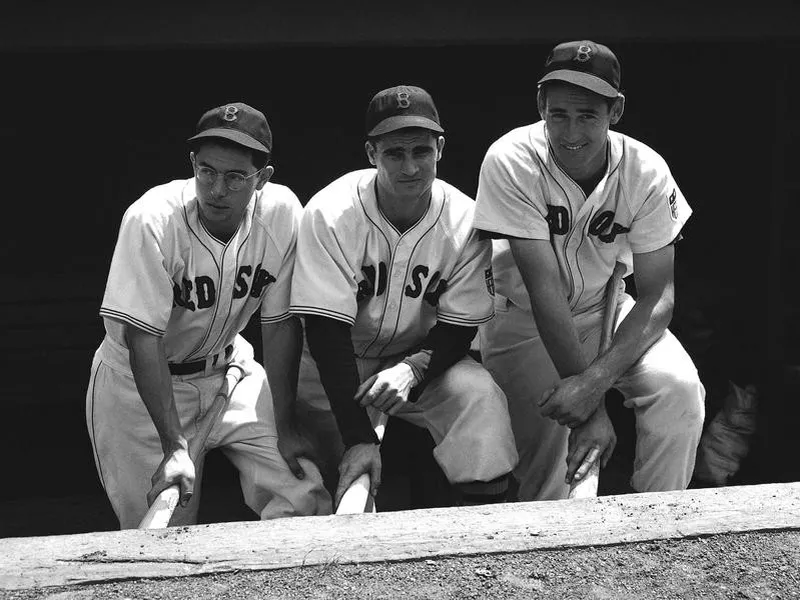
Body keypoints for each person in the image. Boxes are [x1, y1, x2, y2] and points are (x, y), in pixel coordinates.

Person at [474, 41, 706, 501]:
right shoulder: (511, 159)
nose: (571, 130)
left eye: (588, 115)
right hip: (524, 324)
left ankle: (657, 526)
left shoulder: (646, 170)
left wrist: (593, 385)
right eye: (558, 113)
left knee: (679, 390)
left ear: (615, 110)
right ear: (541, 105)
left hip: (608, 306)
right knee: (556, 480)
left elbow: (659, 296)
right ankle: (542, 570)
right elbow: (544, 293)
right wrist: (591, 411)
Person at [85, 102, 331, 528]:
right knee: (157, 530)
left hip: (230, 370)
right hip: (138, 390)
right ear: (193, 165)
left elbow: (278, 324)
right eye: (207, 171)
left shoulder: (282, 212)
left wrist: (286, 423)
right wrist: (174, 444)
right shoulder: (152, 220)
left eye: (235, 177)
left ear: (262, 179)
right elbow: (144, 340)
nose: (217, 189)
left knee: (302, 492)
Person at [287, 85, 518, 508]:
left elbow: (460, 327)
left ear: (440, 148)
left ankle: (489, 538)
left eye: (421, 151)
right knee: (321, 490)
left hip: (417, 356)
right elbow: (325, 333)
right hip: (327, 365)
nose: (410, 166)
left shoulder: (465, 220)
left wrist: (413, 370)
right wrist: (358, 437)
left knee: (478, 397)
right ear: (372, 154)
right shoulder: (331, 213)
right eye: (395, 153)